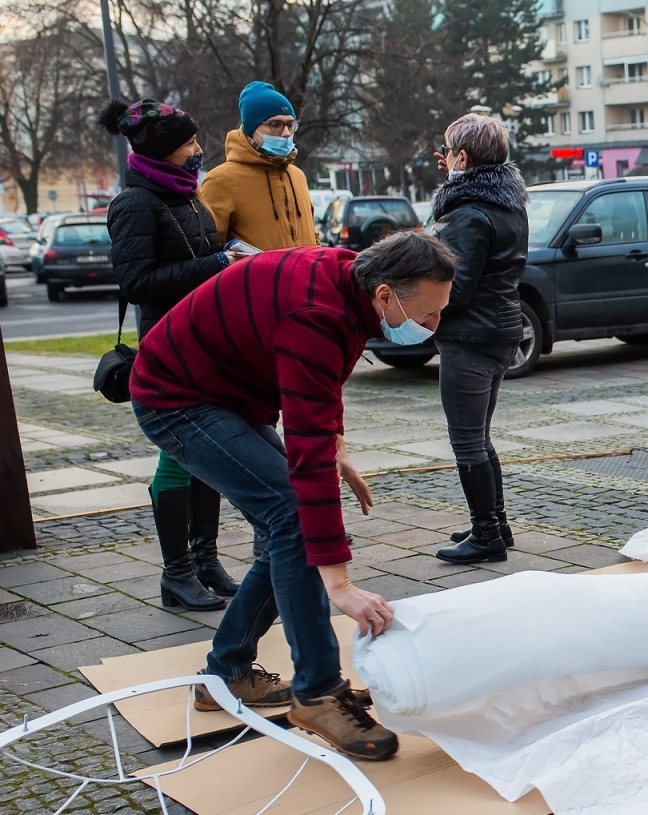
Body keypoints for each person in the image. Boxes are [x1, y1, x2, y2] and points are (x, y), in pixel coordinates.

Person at [128, 231, 458, 761]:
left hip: (223, 392)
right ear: (385, 295)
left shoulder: (351, 282)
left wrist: (337, 446)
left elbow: (325, 383)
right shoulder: (317, 314)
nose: (434, 326)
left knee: (288, 525)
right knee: (292, 516)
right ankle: (317, 692)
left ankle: (226, 673)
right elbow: (306, 459)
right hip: (177, 398)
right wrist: (340, 584)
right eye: (430, 314)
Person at [97, 98, 243, 612]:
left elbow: (198, 255)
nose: (198, 149)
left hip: (205, 341)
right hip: (170, 348)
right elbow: (137, 282)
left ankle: (205, 562)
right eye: (188, 143)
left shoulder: (187, 193)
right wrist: (218, 263)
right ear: (163, 149)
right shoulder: (134, 203)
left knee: (205, 456)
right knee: (181, 455)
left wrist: (229, 258)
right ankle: (176, 573)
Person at [427, 114, 531, 563]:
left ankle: (487, 534)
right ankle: (495, 523)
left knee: (467, 440)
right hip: (501, 328)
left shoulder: (468, 213)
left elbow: (459, 285)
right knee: (480, 436)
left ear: (463, 157)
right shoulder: (508, 204)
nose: (445, 159)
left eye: (449, 152)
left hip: (471, 336)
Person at [198, 81, 318, 253]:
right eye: (275, 125)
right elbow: (207, 250)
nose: (285, 133)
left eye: (290, 125)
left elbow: (313, 236)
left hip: (306, 279)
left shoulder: (297, 175)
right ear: (251, 130)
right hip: (256, 279)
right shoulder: (222, 180)